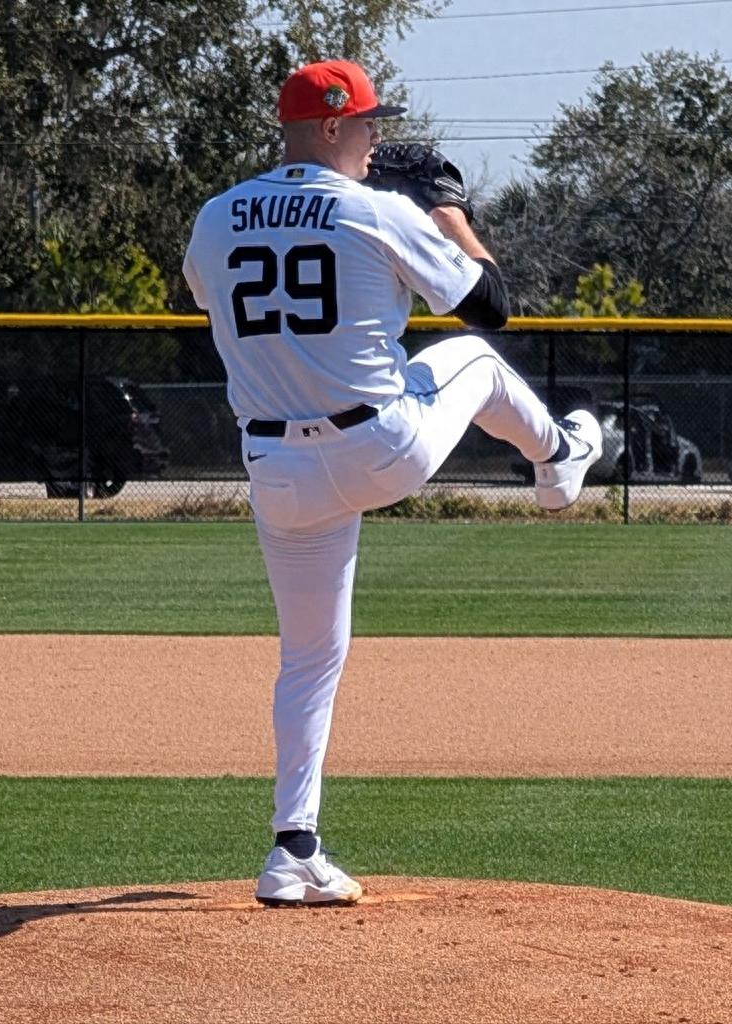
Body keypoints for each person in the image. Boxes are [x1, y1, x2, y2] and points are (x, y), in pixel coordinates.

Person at [182, 59, 602, 907]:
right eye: (369, 123)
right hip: (378, 445)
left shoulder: (216, 218)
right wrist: (449, 215)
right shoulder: (378, 210)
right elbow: (492, 304)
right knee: (478, 361)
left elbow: (209, 299)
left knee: (306, 659)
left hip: (276, 469)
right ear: (331, 127)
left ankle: (291, 848)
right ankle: (559, 460)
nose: (378, 138)